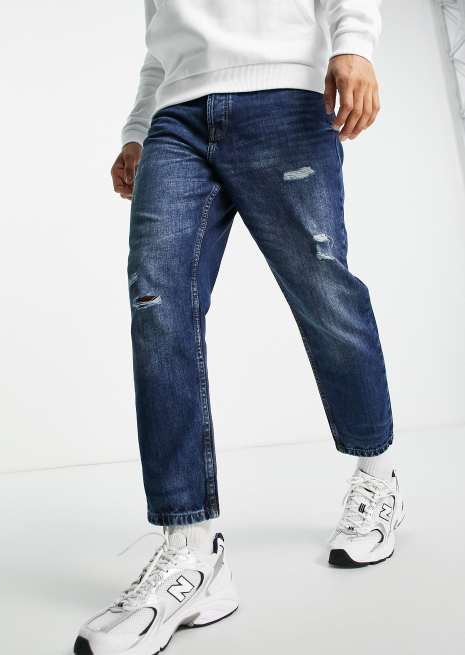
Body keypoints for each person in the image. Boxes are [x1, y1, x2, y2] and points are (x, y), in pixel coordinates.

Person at [74, 1, 405, 653]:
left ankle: (377, 476)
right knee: (158, 307)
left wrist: (354, 45)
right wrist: (138, 128)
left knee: (324, 295)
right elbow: (165, 38)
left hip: (282, 98)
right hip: (176, 121)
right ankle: (192, 551)